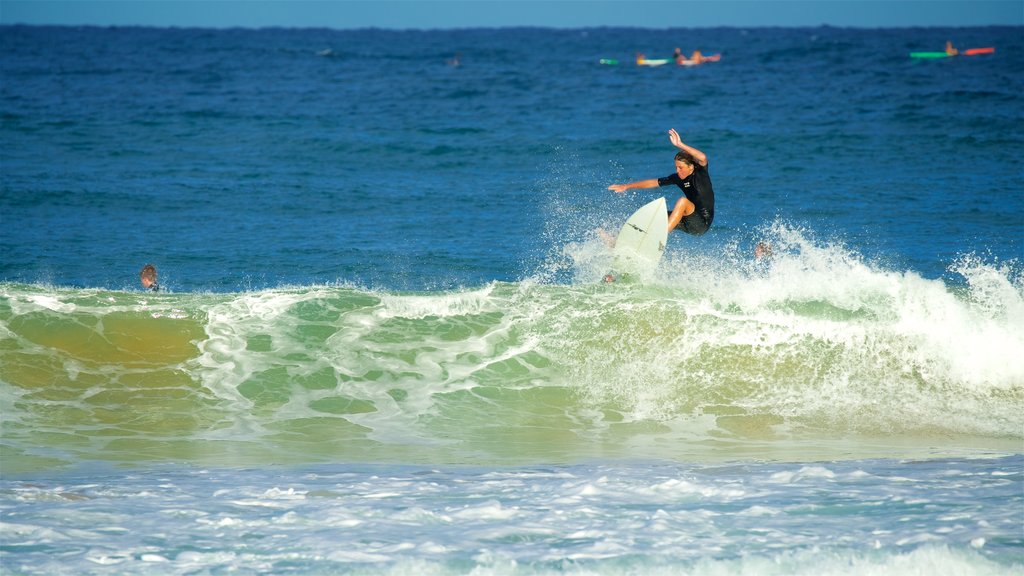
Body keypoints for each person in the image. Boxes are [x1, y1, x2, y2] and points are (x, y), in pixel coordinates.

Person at [608, 129, 715, 236]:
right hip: (687, 221)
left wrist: (680, 144)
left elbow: (703, 157)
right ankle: (618, 240)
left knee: (683, 201)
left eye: (680, 168)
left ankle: (661, 235)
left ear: (691, 167)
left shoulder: (700, 173)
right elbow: (653, 182)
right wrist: (626, 186)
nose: (677, 171)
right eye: (676, 167)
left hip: (702, 223)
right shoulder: (677, 178)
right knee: (654, 216)